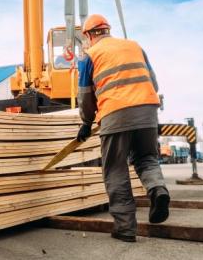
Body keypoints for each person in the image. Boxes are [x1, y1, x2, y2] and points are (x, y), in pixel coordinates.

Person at [76, 14, 170, 242]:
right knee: (146, 157)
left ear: (88, 35)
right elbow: (153, 82)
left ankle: (125, 228)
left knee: (116, 169)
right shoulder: (134, 46)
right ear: (107, 30)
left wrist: (86, 123)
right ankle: (158, 190)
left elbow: (86, 95)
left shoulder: (90, 56)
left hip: (115, 114)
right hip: (147, 110)